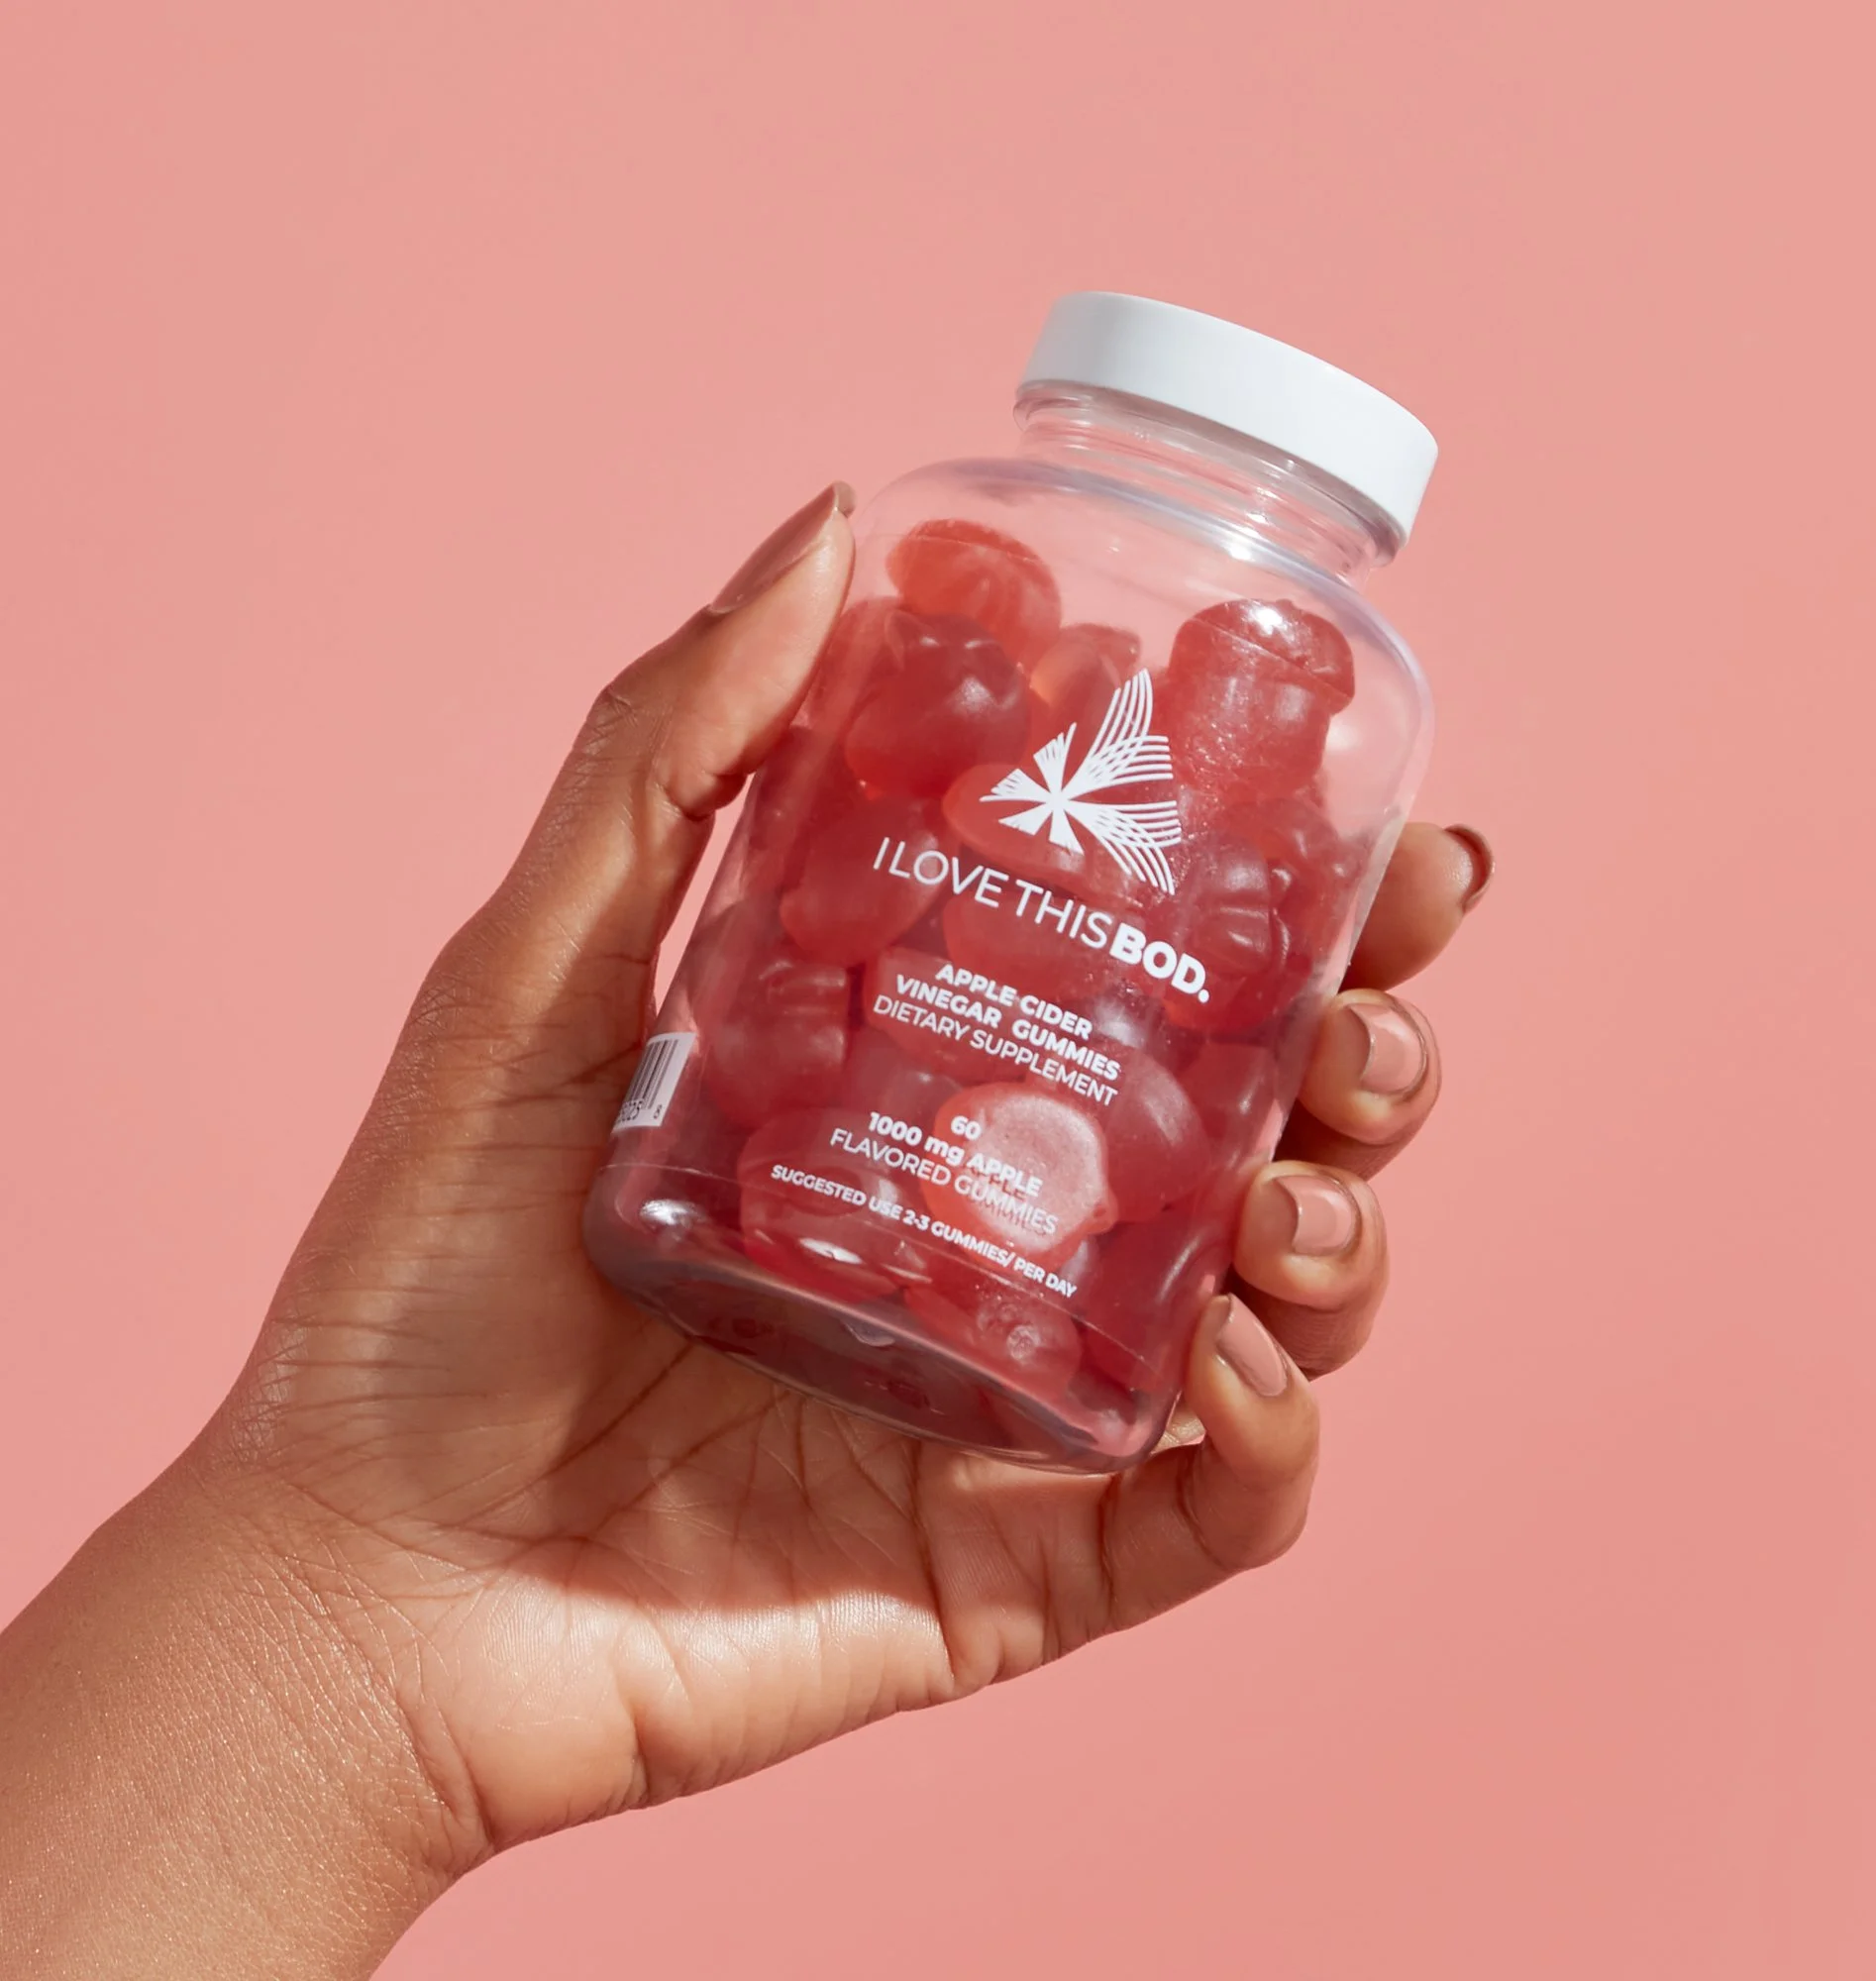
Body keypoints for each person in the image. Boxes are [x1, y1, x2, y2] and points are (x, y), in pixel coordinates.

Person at [0, 487, 1491, 1978]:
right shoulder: (969, 620)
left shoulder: (1299, 752)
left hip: (986, 1283)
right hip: (739, 1203)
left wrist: (378, 1663)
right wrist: (364, 1590)